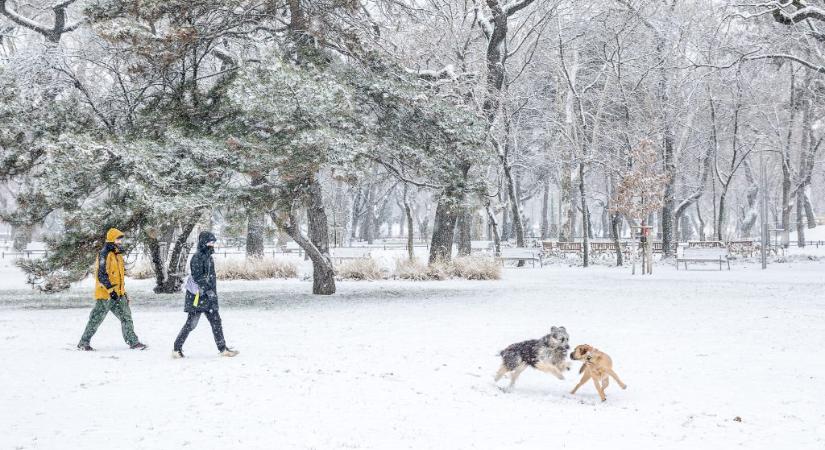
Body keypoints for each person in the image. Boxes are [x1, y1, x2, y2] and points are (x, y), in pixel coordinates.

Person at [78, 228, 146, 351]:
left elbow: (119, 277)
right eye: (117, 239)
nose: (120, 241)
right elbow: (101, 275)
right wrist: (111, 290)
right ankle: (83, 342)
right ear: (111, 239)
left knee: (126, 317)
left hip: (119, 294)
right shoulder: (104, 254)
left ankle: (133, 342)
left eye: (120, 239)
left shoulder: (118, 255)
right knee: (96, 319)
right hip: (105, 295)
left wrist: (123, 293)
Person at [172, 231, 238, 358]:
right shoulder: (197, 257)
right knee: (191, 324)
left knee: (216, 322)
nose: (212, 244)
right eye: (210, 242)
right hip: (198, 297)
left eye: (213, 242)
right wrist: (208, 290)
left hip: (209, 298)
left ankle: (223, 348)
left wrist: (211, 292)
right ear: (203, 242)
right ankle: (176, 349)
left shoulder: (208, 257)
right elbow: (198, 276)